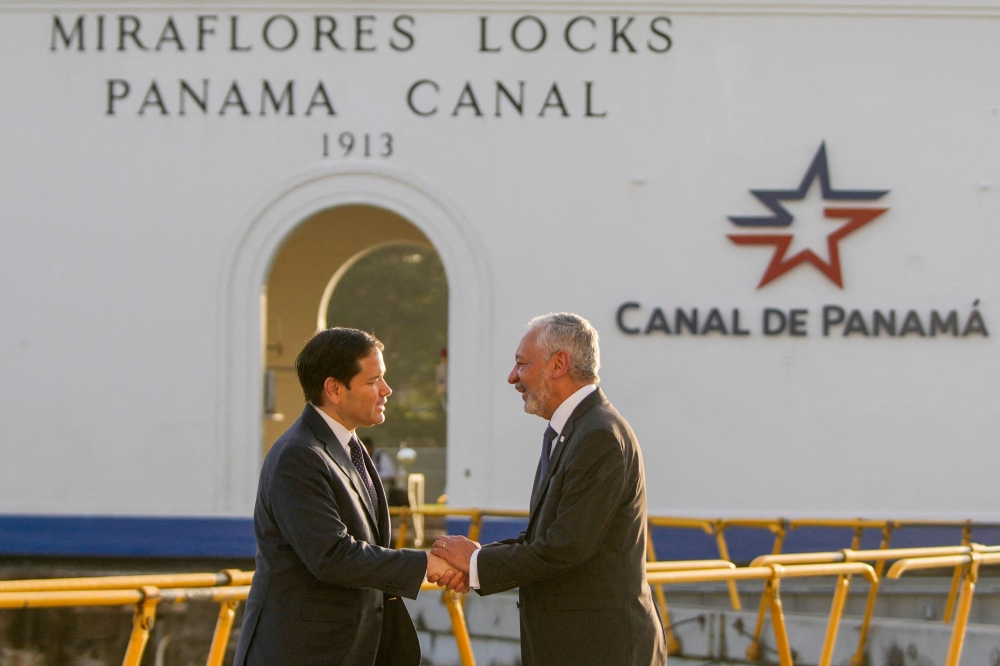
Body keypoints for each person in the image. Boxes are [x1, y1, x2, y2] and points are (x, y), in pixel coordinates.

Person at [431, 313, 667, 666]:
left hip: (602, 649)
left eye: (521, 365)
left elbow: (566, 546)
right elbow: (548, 537)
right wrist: (476, 559)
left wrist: (477, 562)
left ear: (559, 363)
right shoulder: (573, 431)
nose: (512, 377)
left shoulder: (598, 435)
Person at [234, 328, 465, 666]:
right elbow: (331, 555)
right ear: (335, 389)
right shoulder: (299, 456)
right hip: (304, 652)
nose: (386, 391)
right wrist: (424, 563)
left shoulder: (350, 447)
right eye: (373, 382)